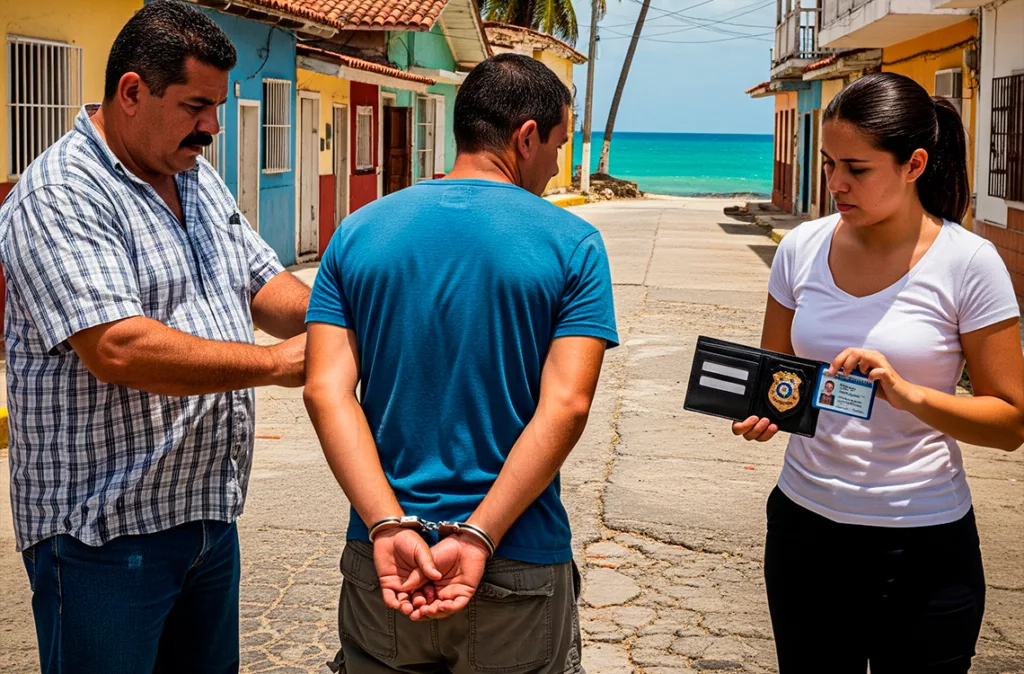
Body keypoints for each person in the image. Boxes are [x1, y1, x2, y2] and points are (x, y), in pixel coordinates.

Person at [0, 2, 309, 672]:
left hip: (203, 519)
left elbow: (262, 284)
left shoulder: (192, 175)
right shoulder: (62, 193)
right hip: (102, 541)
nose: (213, 127)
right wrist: (274, 364)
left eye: (217, 106)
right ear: (133, 91)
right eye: (196, 105)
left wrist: (350, 317)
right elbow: (118, 347)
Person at [304, 53, 618, 674]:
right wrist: (478, 533)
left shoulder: (357, 232)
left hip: (384, 557)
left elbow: (325, 391)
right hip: (516, 556)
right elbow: (567, 404)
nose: (556, 166)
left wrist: (386, 525)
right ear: (526, 136)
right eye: (556, 144)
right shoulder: (573, 243)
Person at [732, 71, 1024, 673]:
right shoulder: (800, 249)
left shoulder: (969, 262)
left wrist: (907, 393)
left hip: (922, 542)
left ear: (914, 163)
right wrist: (768, 411)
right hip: (803, 530)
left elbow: (1010, 421)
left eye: (857, 169)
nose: (836, 183)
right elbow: (780, 375)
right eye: (829, 163)